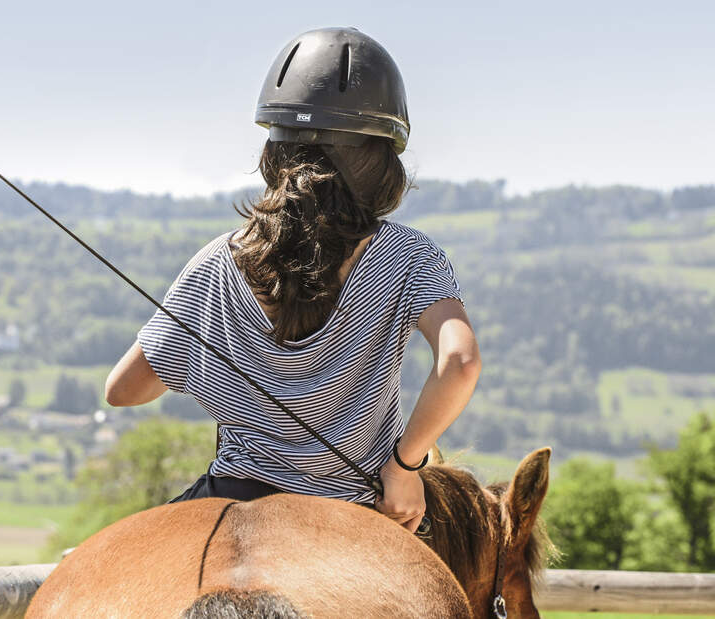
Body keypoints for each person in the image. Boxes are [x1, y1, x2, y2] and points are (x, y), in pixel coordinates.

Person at [104, 27, 480, 535]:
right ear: (380, 162)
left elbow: (123, 390)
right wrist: (406, 465)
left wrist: (224, 370)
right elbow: (460, 362)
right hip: (353, 512)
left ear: (275, 152)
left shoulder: (219, 261)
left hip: (232, 489)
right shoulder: (409, 255)